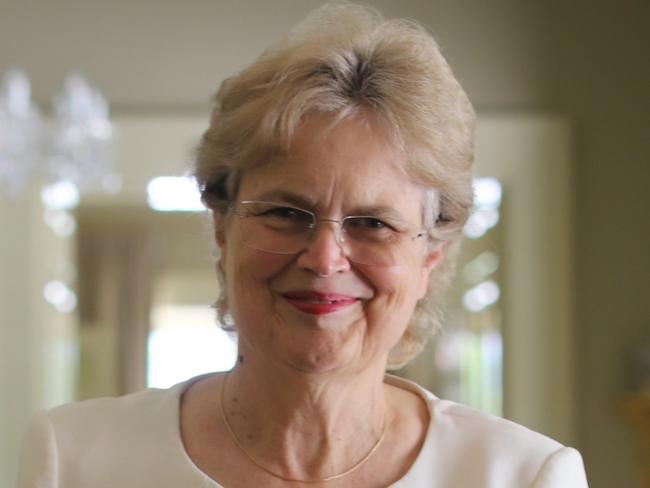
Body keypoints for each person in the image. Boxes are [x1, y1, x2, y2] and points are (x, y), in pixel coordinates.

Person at [18, 2, 589, 487]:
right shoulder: (71, 460)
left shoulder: (524, 475)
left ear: (428, 259)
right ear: (222, 230)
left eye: (372, 223)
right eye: (286, 213)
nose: (323, 258)